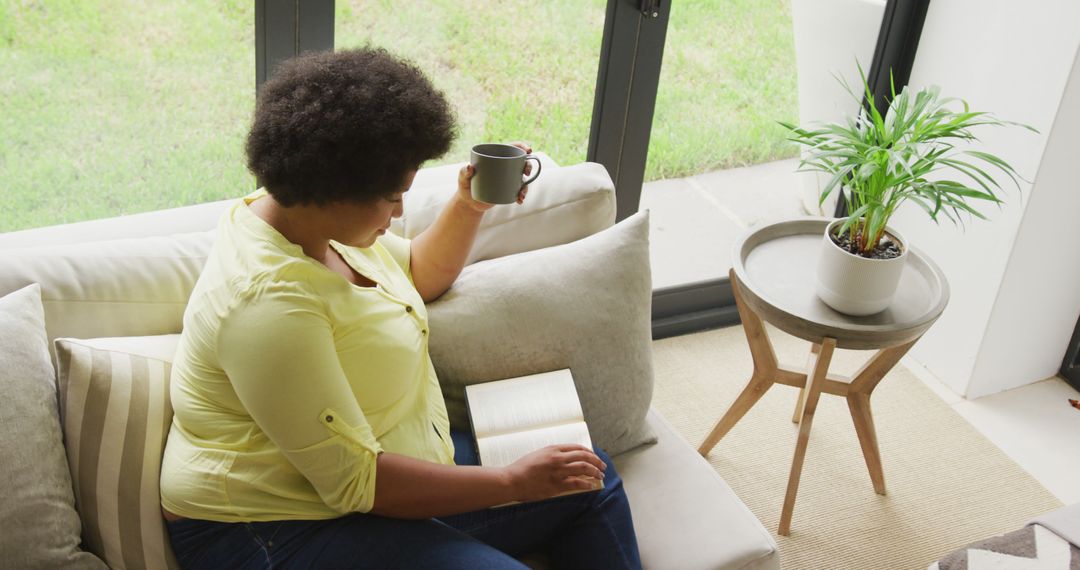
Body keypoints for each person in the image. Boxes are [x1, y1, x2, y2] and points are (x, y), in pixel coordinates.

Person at [159, 47, 642, 569]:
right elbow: (357, 484)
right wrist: (511, 482)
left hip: (376, 469)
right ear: (332, 188)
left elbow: (418, 274)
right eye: (393, 197)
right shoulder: (268, 305)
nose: (400, 211)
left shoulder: (315, 228)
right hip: (270, 529)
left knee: (587, 477)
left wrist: (469, 203)